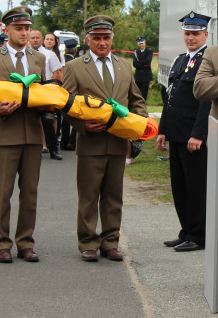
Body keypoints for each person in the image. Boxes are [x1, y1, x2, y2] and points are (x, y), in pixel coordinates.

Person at [61, 15, 148, 262]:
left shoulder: (123, 65)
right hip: (90, 143)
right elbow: (65, 104)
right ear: (87, 39)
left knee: (114, 196)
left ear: (112, 38)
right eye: (96, 38)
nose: (102, 42)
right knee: (88, 195)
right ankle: (88, 242)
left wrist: (141, 126)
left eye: (106, 37)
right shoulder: (75, 67)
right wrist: (82, 124)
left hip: (118, 144)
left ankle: (110, 242)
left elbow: (136, 100)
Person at [0, 6, 47, 263]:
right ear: (6, 30)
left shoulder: (38, 58)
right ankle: (2, 244)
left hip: (31, 135)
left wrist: (47, 104)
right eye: (19, 28)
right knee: (2, 193)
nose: (24, 33)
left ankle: (25, 243)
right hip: (5, 134)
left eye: (27, 28)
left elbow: (43, 91)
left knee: (30, 193)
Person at [157, 12, 213, 252]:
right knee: (179, 187)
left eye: (195, 34)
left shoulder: (208, 61)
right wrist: (163, 131)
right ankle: (186, 230)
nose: (191, 38)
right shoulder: (181, 60)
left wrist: (198, 134)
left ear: (205, 35)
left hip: (193, 136)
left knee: (195, 187)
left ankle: (199, 235)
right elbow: (169, 97)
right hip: (176, 134)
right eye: (187, 33)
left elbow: (206, 101)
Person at [38, 32, 65, 159]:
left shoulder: (50, 54)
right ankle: (39, 145)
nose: (35, 40)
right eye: (32, 38)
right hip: (30, 90)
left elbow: (57, 72)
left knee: (48, 119)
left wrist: (53, 89)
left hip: (46, 89)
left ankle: (52, 148)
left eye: (37, 37)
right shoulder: (25, 52)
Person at [133, 37, 154, 102]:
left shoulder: (149, 51)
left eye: (142, 43)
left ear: (145, 43)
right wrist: (143, 65)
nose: (141, 45)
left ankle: (143, 106)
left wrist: (140, 63)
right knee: (137, 93)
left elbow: (148, 61)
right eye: (139, 44)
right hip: (138, 76)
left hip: (146, 76)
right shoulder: (136, 52)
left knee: (144, 93)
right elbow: (134, 64)